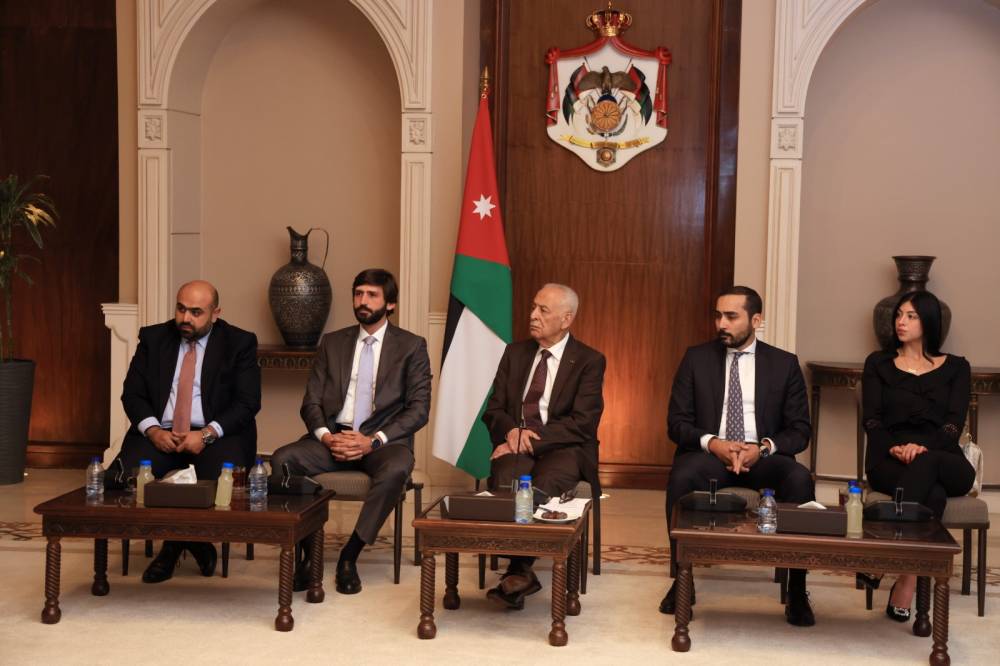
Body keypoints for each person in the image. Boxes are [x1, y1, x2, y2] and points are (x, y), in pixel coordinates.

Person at [269, 269, 431, 595]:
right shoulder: (333, 343)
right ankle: (309, 554)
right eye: (358, 294)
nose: (362, 301)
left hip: (382, 442)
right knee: (283, 459)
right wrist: (326, 437)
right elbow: (311, 401)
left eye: (372, 295)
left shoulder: (411, 346)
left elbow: (418, 409)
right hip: (335, 438)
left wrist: (372, 441)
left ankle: (350, 555)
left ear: (390, 304)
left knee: (397, 469)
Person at [662, 286, 815, 626]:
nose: (721, 323)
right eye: (718, 315)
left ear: (756, 320)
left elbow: (800, 430)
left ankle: (797, 589)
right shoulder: (696, 358)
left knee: (799, 479)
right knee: (681, 477)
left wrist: (762, 448)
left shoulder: (784, 364)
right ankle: (682, 579)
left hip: (761, 456)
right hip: (711, 455)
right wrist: (714, 443)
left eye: (731, 316)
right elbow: (677, 423)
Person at [115, 280, 261, 583]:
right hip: (161, 432)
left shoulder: (239, 342)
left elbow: (248, 403)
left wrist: (206, 434)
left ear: (215, 313)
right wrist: (153, 431)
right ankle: (197, 545)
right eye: (181, 309)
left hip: (215, 435)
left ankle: (171, 549)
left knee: (216, 485)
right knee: (118, 480)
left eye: (196, 312)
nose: (185, 318)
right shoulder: (154, 338)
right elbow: (132, 394)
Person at [481, 283, 606, 610]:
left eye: (543, 310)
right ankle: (521, 571)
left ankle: (518, 569)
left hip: (566, 447)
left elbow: (583, 422)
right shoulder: (515, 353)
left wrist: (528, 440)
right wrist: (512, 432)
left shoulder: (589, 360)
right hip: (516, 445)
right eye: (533, 307)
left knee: (542, 486)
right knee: (507, 479)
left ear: (566, 319)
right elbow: (494, 409)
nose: (532, 315)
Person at [862, 290, 974, 622]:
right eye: (899, 314)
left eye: (911, 316)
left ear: (929, 321)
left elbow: (954, 423)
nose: (901, 321)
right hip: (890, 460)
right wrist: (894, 447)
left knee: (929, 464)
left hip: (942, 455)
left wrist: (924, 449)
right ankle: (908, 578)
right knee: (933, 494)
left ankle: (884, 557)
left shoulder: (957, 367)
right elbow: (872, 419)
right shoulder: (878, 364)